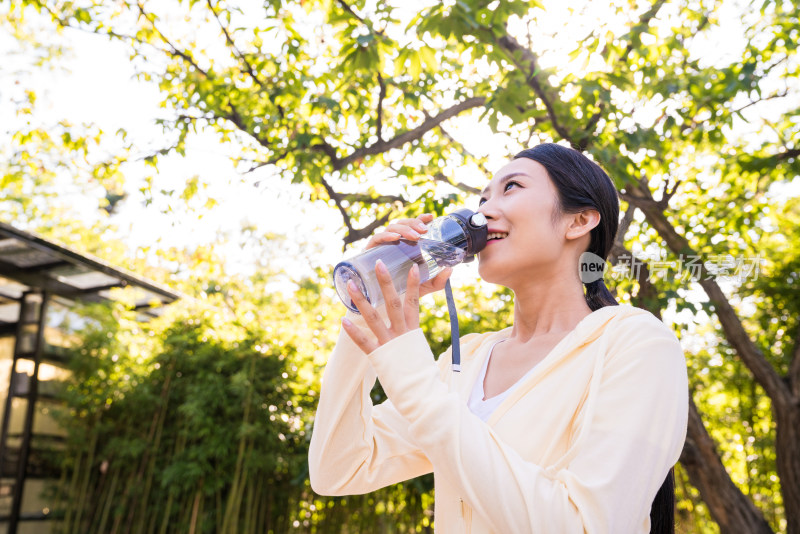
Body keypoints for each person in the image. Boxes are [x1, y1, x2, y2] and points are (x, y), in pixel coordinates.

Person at [308, 143, 688, 533]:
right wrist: (372, 303)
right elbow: (339, 469)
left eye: (512, 188)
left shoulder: (636, 344)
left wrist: (416, 386)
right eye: (482, 197)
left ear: (578, 222)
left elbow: (586, 525)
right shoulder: (467, 359)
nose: (482, 211)